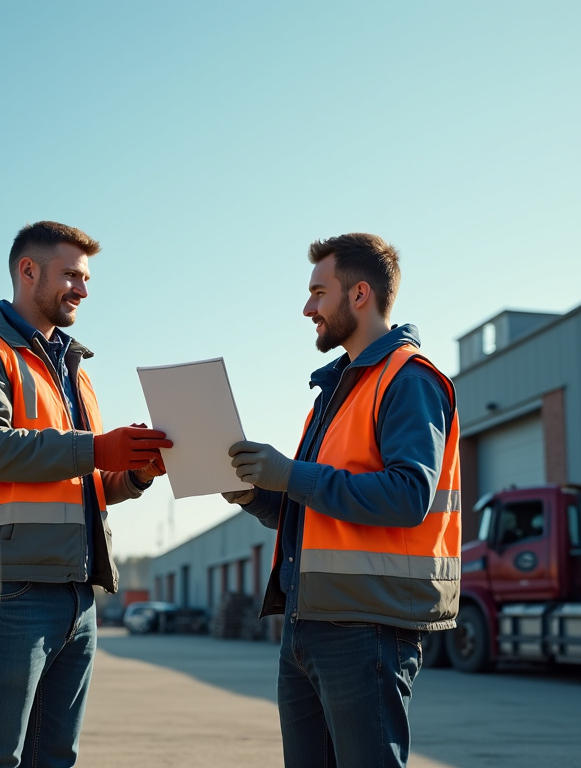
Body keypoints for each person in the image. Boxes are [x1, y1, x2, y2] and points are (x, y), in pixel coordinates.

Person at [0, 221, 171, 768]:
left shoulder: (75, 371)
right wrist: (98, 450)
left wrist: (135, 473)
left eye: (85, 278)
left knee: (55, 758)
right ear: (28, 271)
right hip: (10, 590)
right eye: (71, 275)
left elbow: (86, 483)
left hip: (77, 596)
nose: (82, 290)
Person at [224, 233, 461, 768]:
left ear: (359, 295)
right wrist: (255, 494)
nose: (307, 308)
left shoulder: (409, 380)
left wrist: (293, 474)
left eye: (317, 292)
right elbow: (311, 506)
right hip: (307, 626)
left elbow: (408, 496)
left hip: (368, 628)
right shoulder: (336, 392)